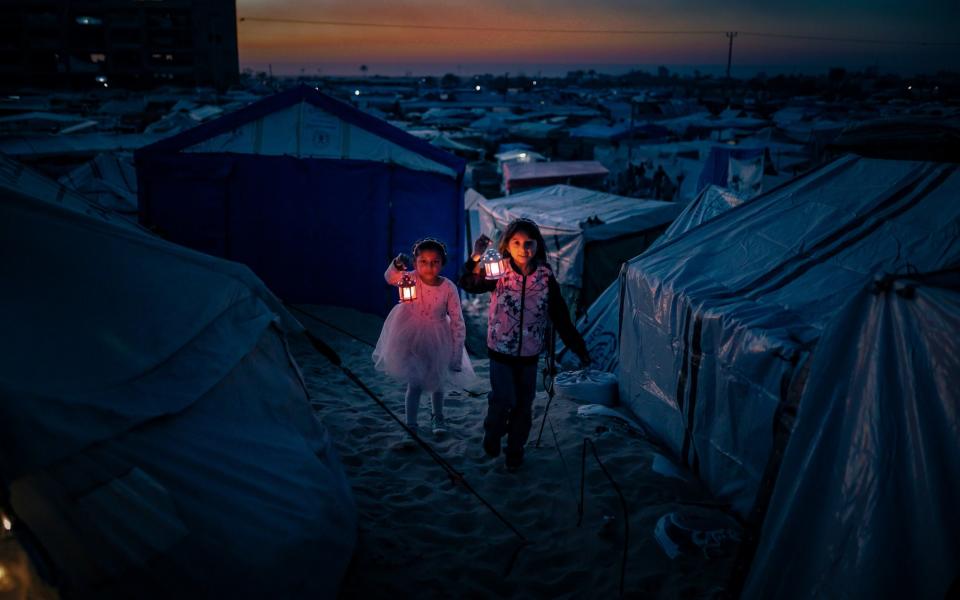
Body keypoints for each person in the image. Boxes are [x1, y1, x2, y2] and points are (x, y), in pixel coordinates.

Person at [459, 219, 590, 471]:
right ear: (507, 245)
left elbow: (560, 316)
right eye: (516, 242)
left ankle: (515, 451)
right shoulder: (499, 269)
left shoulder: (545, 277)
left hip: (530, 354)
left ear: (537, 245)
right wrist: (475, 257)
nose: (523, 248)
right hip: (500, 350)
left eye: (528, 242)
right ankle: (492, 433)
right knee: (503, 398)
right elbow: (469, 283)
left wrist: (578, 347)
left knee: (523, 404)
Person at [373, 238, 475, 436]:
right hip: (410, 336)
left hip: (438, 338)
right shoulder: (409, 277)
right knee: (415, 381)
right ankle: (411, 423)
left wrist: (456, 356)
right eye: (423, 261)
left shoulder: (448, 288)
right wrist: (396, 265)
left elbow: (457, 321)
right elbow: (390, 278)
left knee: (437, 381)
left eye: (435, 261)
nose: (429, 266)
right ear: (415, 262)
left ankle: (438, 417)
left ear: (443, 262)